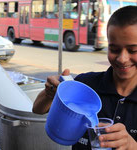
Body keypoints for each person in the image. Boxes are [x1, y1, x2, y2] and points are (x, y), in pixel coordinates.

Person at [33, 6, 137, 150]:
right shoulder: (85, 86)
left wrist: (132, 145)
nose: (122, 59)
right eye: (114, 49)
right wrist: (50, 93)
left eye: (133, 50)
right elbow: (37, 109)